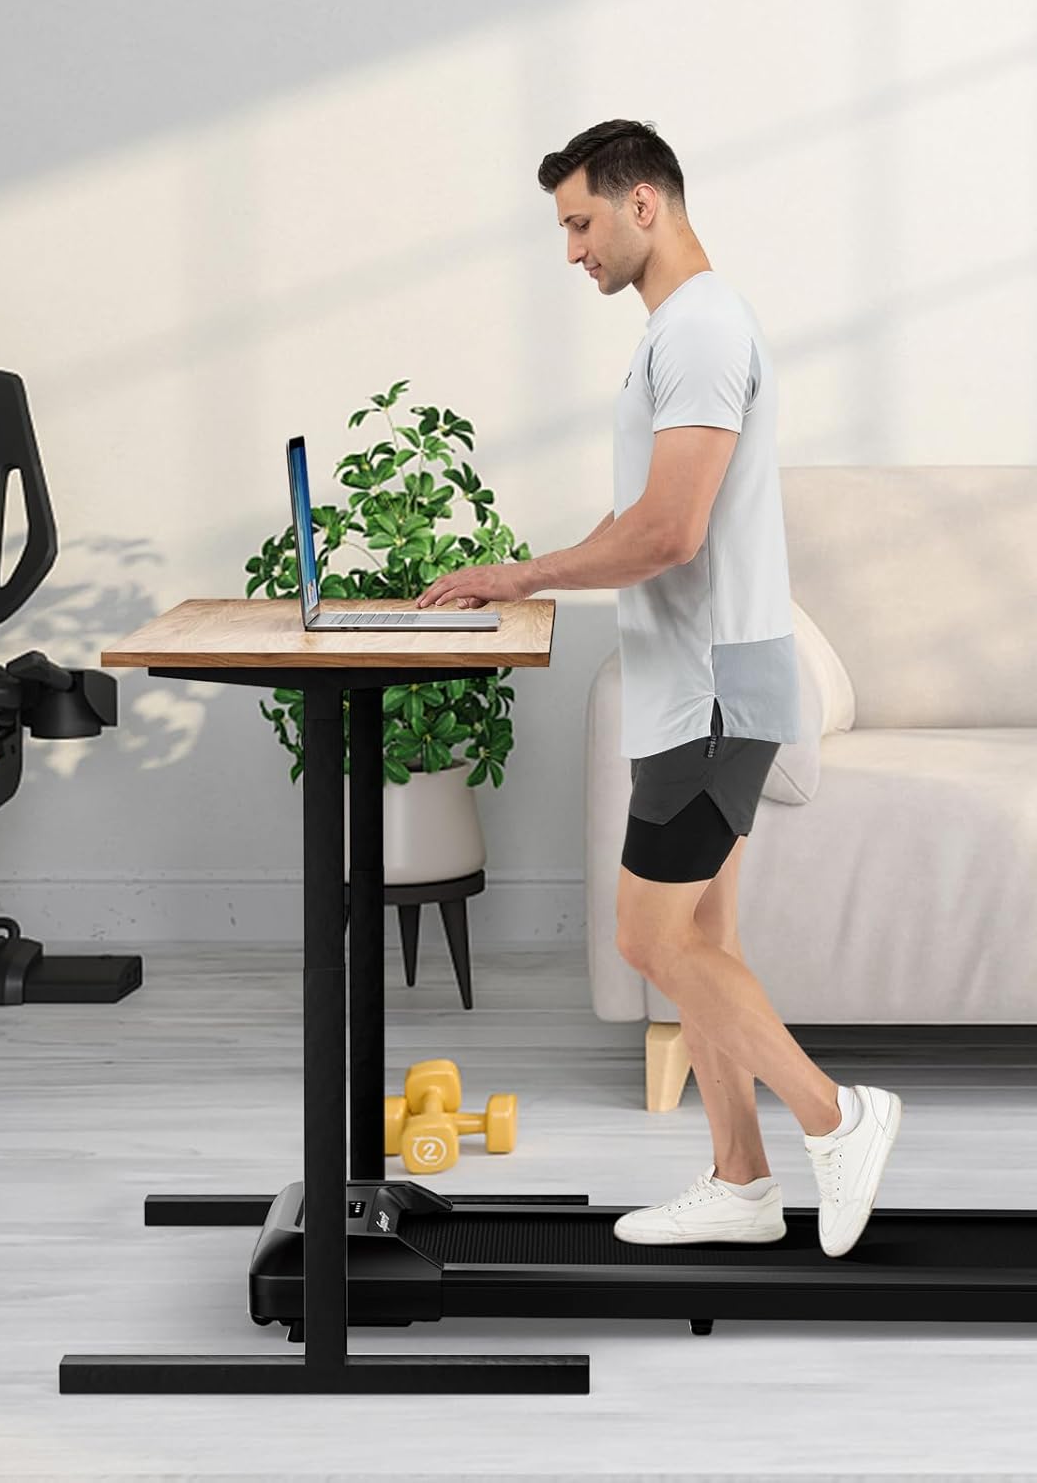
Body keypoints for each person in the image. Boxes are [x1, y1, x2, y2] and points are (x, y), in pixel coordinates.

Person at [416, 119, 901, 1257]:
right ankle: (740, 1179)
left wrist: (530, 573)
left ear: (645, 205)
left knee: (648, 942)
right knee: (704, 944)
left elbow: (673, 532)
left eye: (581, 222)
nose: (572, 250)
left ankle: (840, 1114)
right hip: (703, 684)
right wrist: (524, 579)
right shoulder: (677, 333)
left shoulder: (698, 329)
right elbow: (639, 515)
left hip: (714, 694)